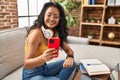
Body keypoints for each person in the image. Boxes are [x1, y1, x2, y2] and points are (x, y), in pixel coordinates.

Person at [22, 2, 76, 80]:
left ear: (60, 19)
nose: (52, 19)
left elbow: (69, 50)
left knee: (72, 63)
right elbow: (26, 64)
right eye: (49, 15)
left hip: (44, 68)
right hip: (31, 74)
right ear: (43, 15)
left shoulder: (55, 32)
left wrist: (70, 57)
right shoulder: (36, 33)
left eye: (56, 16)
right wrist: (43, 58)